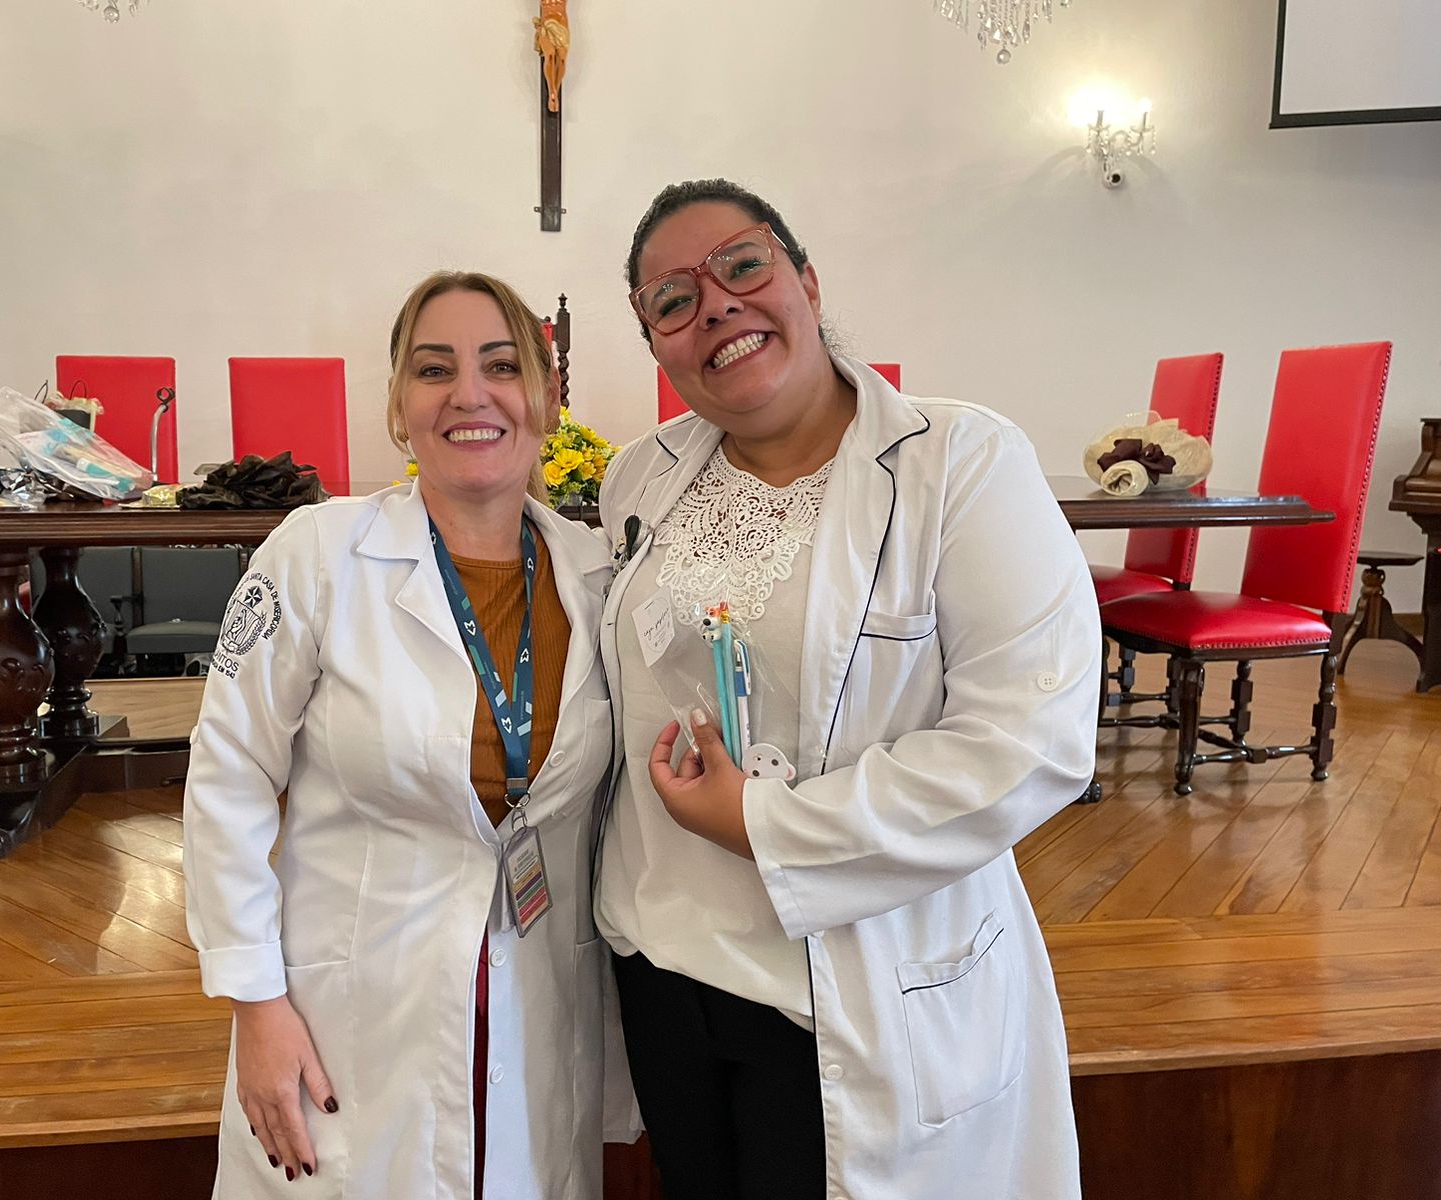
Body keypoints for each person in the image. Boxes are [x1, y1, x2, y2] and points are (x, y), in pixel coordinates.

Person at [595, 179, 1099, 1200]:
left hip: (847, 988)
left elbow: (1029, 743)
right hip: (661, 967)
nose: (717, 305)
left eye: (743, 265)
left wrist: (764, 824)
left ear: (807, 281)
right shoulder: (637, 477)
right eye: (673, 301)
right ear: (657, 347)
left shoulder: (961, 463)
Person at [184, 271, 626, 1198]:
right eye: (434, 369)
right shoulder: (317, 554)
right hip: (351, 1015)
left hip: (538, 1006)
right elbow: (228, 775)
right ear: (398, 405)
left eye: (500, 366)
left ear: (546, 397)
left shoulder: (597, 576)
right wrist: (255, 1002)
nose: (469, 394)